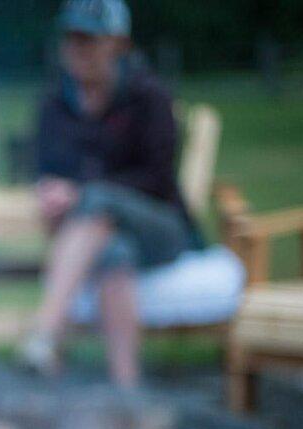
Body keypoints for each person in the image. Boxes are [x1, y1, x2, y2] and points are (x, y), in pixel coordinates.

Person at [18, 0, 203, 386]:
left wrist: (81, 192)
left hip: (161, 227)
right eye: (71, 38)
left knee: (99, 200)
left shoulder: (149, 97)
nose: (78, 48)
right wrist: (50, 191)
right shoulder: (53, 103)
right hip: (94, 234)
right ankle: (127, 390)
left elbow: (157, 179)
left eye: (88, 39)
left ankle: (45, 334)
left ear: (118, 44)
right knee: (114, 253)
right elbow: (45, 169)